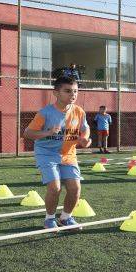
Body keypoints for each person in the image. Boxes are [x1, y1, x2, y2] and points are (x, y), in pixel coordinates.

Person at [23, 76, 91, 230]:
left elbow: (85, 128)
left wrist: (85, 139)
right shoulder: (45, 113)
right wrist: (47, 132)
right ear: (56, 93)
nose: (72, 95)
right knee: (55, 188)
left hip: (69, 155)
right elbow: (28, 133)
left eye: (75, 91)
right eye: (67, 91)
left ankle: (66, 218)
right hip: (47, 154)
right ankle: (49, 219)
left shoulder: (79, 111)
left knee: (75, 188)